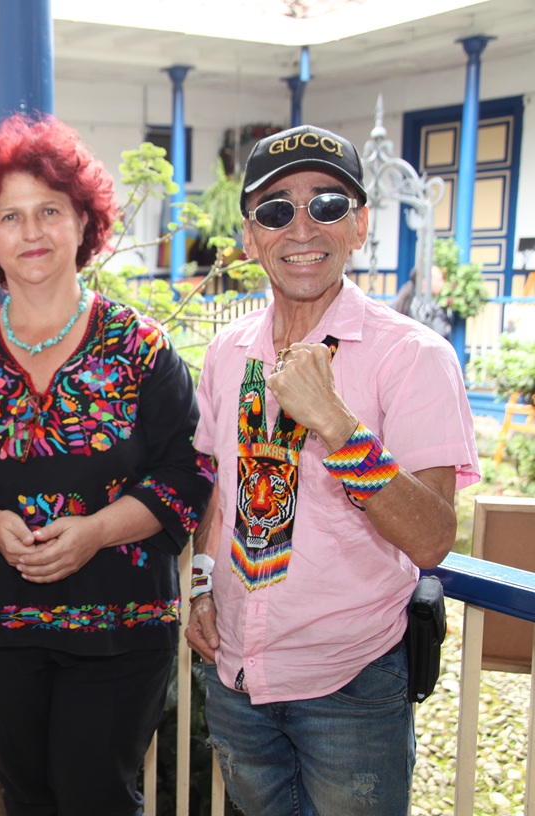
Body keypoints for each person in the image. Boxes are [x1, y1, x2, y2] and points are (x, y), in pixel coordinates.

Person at [0, 115, 213, 816]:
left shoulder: (139, 348)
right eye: (9, 216)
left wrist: (98, 531)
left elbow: (186, 471)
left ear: (84, 222)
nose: (32, 230)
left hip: (118, 622)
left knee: (98, 796)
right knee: (24, 795)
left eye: (50, 210)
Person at [184, 124, 480, 816]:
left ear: (360, 225)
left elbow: (434, 537)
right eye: (277, 209)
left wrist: (340, 428)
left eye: (326, 203)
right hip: (238, 679)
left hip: (348, 685)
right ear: (251, 236)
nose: (301, 227)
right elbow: (219, 493)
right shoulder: (231, 352)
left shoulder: (412, 356)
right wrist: (201, 585)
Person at [393, 263, 453, 339]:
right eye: (438, 280)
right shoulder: (431, 306)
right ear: (425, 281)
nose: (442, 284)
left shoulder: (401, 300)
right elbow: (441, 333)